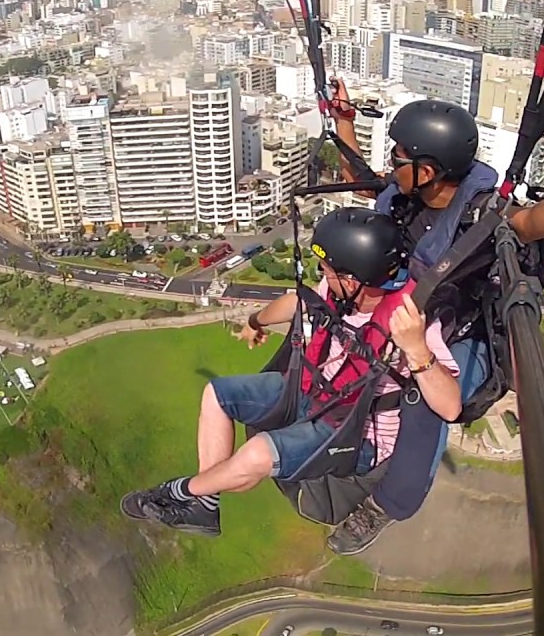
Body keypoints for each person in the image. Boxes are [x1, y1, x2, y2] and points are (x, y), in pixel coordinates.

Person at [321, 79, 544, 556]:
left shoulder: (479, 213)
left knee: (423, 398)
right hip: (411, 314)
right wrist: (344, 122)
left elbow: (526, 222)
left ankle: (391, 502)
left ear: (428, 169)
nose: (392, 161)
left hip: (466, 333)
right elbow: (361, 178)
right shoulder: (407, 198)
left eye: (399, 155)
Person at [120, 207, 462, 537]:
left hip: (357, 435)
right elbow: (299, 302)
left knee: (257, 455)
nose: (323, 275)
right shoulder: (343, 293)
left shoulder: (410, 320)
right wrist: (255, 322)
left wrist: (417, 348)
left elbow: (450, 407)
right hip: (313, 393)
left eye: (328, 270)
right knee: (217, 395)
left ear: (352, 278)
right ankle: (206, 505)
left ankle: (178, 493)